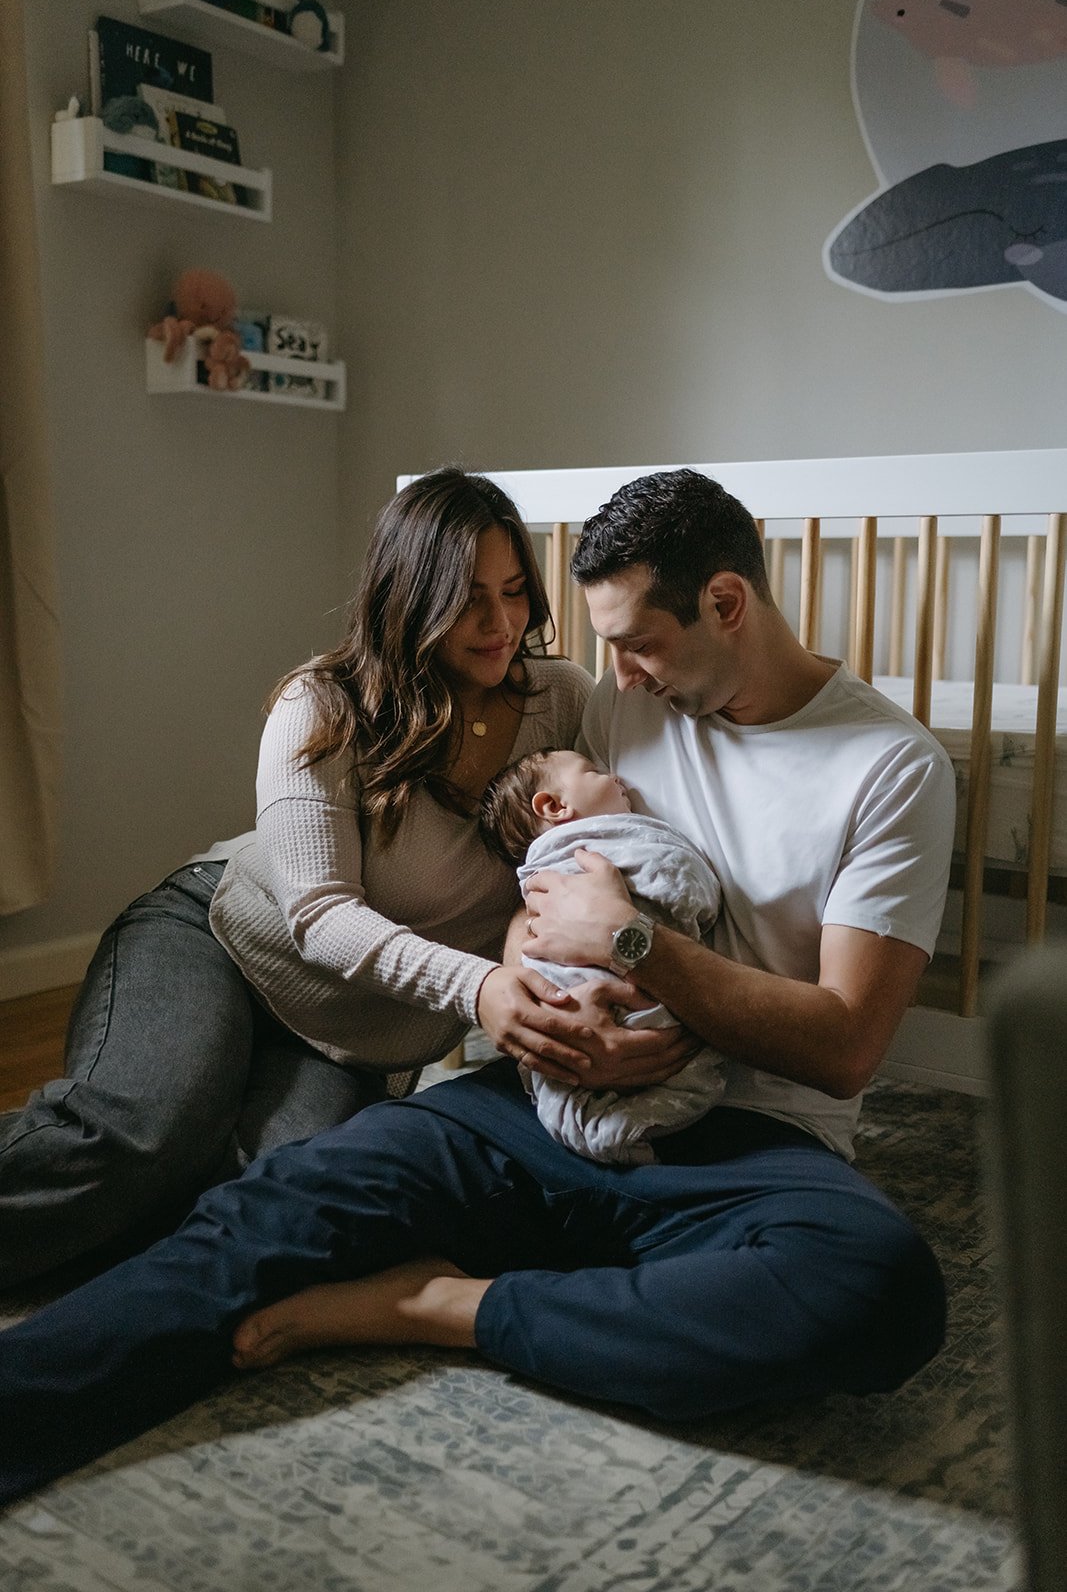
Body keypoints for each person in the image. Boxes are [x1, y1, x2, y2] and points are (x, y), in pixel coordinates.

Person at [0, 468, 957, 1505]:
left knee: (878, 1288)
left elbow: (844, 1043)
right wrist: (533, 989)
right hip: (525, 1097)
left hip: (748, 1141)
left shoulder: (887, 766)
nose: (618, 675)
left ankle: (439, 1308)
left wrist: (637, 951)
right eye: (604, 646)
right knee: (269, 1207)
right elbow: (533, 881)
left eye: (637, 642)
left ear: (725, 604)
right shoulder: (618, 709)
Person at [0, 469, 682, 1290]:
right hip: (218, 941)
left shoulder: (564, 700)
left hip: (352, 1032)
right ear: (411, 594)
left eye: (513, 592)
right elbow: (319, 915)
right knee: (137, 1139)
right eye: (469, 599)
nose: (501, 624)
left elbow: (626, 821)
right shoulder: (322, 703)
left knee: (273, 1201)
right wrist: (482, 990)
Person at [479, 747, 725, 1163]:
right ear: (555, 806)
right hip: (604, 998)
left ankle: (588, 1125)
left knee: (561, 1088)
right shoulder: (602, 843)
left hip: (571, 1016)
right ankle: (621, 1130)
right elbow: (679, 882)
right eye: (594, 771)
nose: (616, 777)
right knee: (694, 1070)